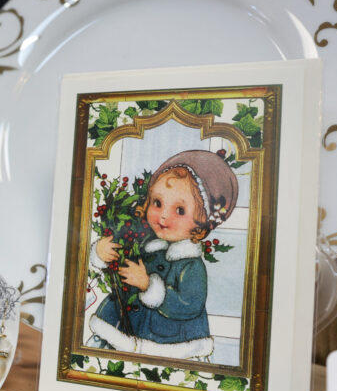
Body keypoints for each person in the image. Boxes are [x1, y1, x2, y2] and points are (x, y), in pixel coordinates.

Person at [88, 149, 238, 359]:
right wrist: (101, 251)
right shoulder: (143, 240)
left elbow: (188, 305)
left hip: (169, 344)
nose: (164, 216)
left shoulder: (191, 266)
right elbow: (118, 260)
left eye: (180, 210)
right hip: (118, 330)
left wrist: (148, 286)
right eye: (157, 203)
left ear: (200, 227)